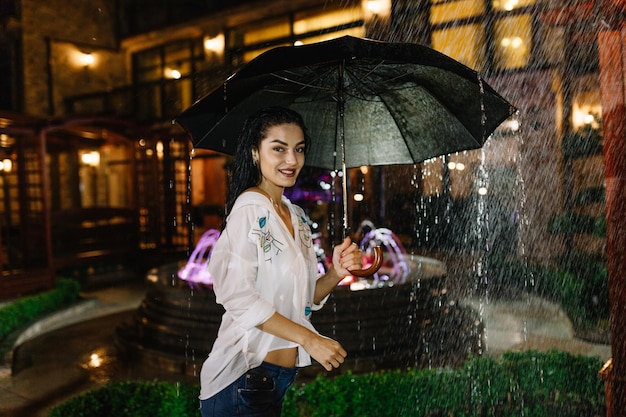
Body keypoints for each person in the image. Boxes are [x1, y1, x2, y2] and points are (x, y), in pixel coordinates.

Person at [199, 106, 363, 417]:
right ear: (255, 153)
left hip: (274, 379)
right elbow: (238, 297)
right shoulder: (249, 209)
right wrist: (310, 339)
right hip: (242, 379)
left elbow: (301, 297)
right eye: (279, 148)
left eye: (299, 149)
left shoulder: (297, 216)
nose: (292, 160)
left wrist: (335, 273)